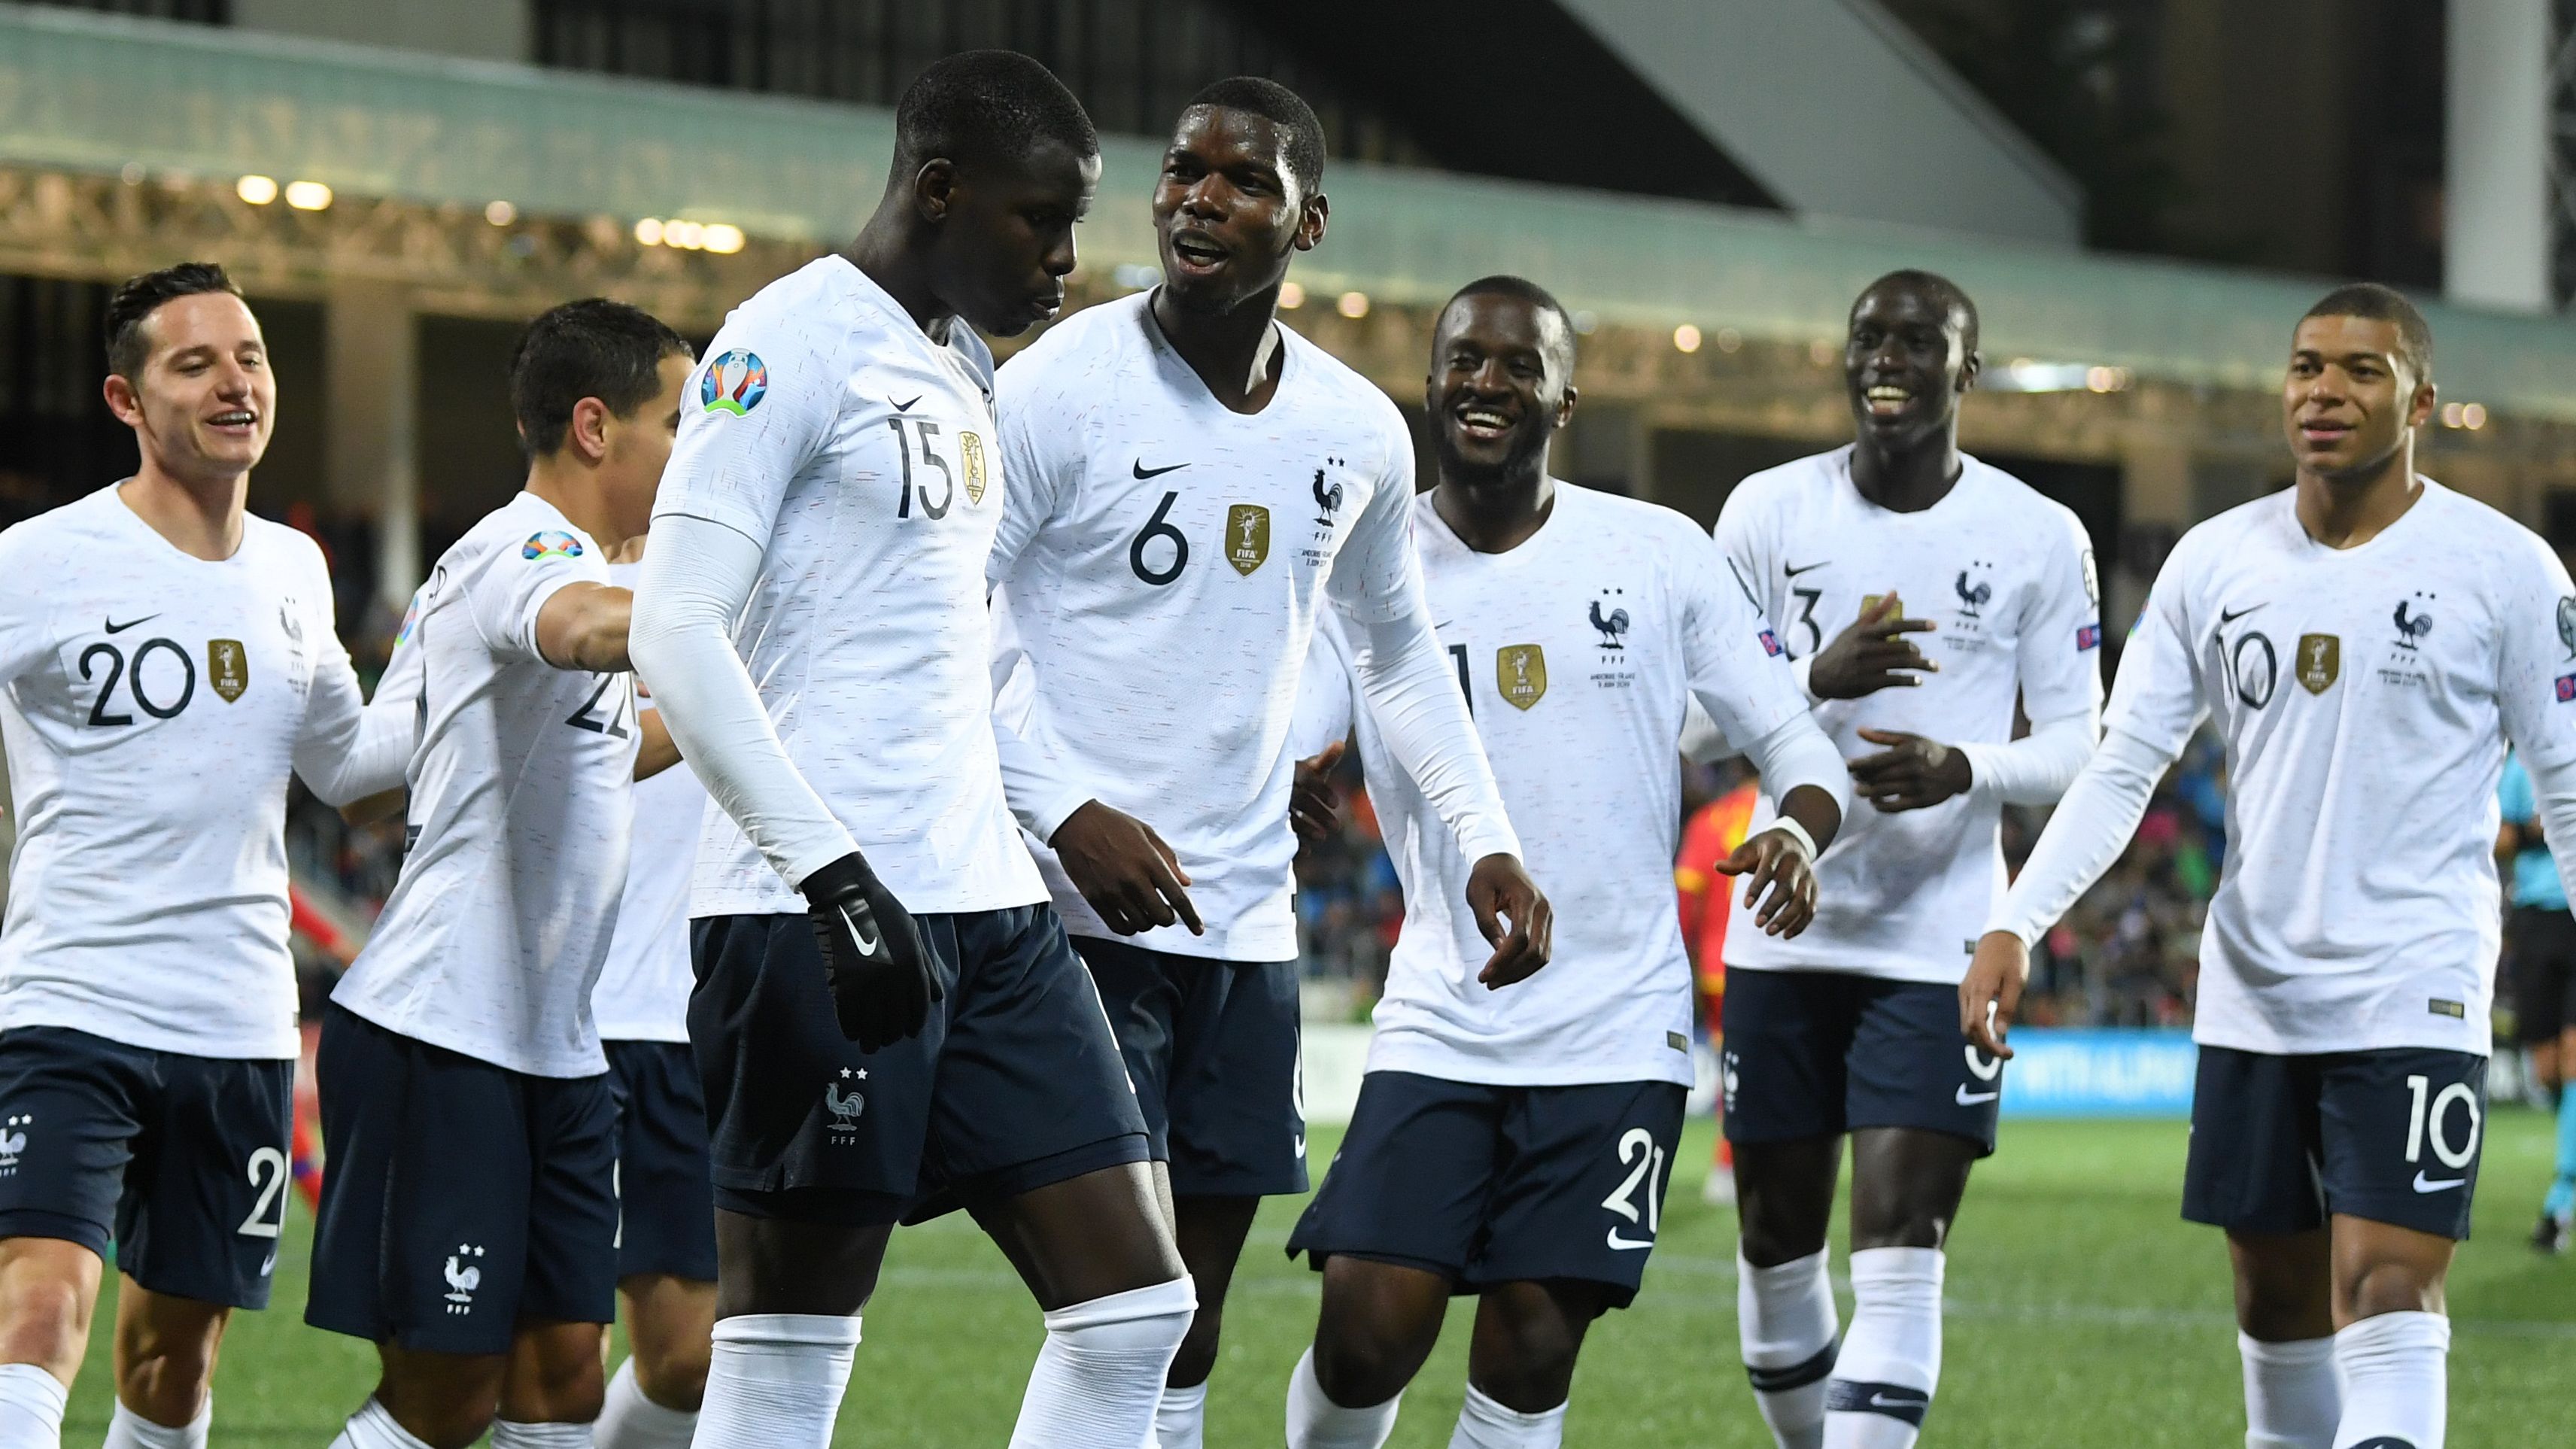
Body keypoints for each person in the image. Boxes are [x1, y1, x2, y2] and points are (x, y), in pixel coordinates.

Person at [627, 52, 1198, 1449]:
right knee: (782, 1352)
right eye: (1039, 220)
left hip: (986, 911)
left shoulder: (959, 367)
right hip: (810, 920)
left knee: (1134, 1310)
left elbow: (945, 661)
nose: (1067, 260)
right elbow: (675, 627)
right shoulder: (788, 341)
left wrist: (1049, 810)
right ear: (938, 191)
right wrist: (830, 876)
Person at [983, 78, 1547, 1446]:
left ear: (1306, 221)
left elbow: (1399, 656)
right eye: (1181, 172)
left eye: (1239, 180)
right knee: (1119, 1305)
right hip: (1056, 917)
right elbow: (947, 626)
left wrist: (1480, 836)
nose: (1197, 199)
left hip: (1237, 923)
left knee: (1189, 1314)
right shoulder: (1053, 383)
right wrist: (1062, 811)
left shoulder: (1352, 431)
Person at [1964, 282, 2576, 1449]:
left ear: (2423, 400)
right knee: (2278, 1308)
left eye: (2361, 370)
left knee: (2389, 1291)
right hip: (2254, 999)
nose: (2325, 392)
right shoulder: (2213, 560)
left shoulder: (2507, 570)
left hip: (2415, 984)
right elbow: (2123, 763)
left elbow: (2572, 788)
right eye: (2307, 367)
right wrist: (2016, 919)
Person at [1277, 275, 1847, 1449]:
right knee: (1366, 1331)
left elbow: (1799, 744)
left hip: (1615, 1025)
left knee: (1534, 1341)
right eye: (1463, 361)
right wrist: (1287, 765)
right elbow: (1307, 714)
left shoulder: (1657, 554)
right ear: (1431, 384)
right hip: (1443, 1013)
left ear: (1566, 397)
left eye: (1517, 364)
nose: (1485, 382)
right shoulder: (1366, 568)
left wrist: (1794, 826)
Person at [0, 263, 409, 1449]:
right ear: (127, 400)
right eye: (195, 364)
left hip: (237, 1017)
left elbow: (355, 773)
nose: (236, 383)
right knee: (39, 1299)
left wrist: (475, 676)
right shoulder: (36, 561)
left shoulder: (294, 569)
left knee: (174, 1359)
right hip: (71, 996)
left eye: (252, 358)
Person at [1712, 270, 2103, 1449]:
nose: (1888, 357)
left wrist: (1967, 769)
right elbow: (1689, 720)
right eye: (1868, 337)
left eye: (1919, 341)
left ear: (1965, 371)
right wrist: (1811, 680)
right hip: (1785, 928)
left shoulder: (2038, 535)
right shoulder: (1767, 515)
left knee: (1902, 1237)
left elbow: (2086, 742)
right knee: (1776, 1243)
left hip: (1937, 940)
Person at [308, 299, 691, 1449]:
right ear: (593, 426)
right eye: (679, 422)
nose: (696, 453)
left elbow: (612, 744)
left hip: (556, 1049)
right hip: (446, 1035)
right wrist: (734, 600)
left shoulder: (572, 568)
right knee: (445, 1401)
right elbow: (578, 628)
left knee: (567, 1380)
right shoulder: (526, 550)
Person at [590, 536, 718, 1448]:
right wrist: (725, 692)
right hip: (574, 1021)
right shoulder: (529, 574)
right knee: (539, 1360)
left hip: (695, 1021)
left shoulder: (745, 573)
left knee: (689, 1360)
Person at [2499, 750, 2576, 1251]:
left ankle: (2559, 1199)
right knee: (2546, 1070)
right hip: (2535, 922)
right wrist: (2537, 829)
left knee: (2573, 1062)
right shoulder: (2521, 765)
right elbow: (2498, 837)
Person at [1676, 770, 1760, 1206]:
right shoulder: (1794, 808)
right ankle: (1735, 1163)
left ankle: (1733, 1164)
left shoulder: (1711, 820)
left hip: (1718, 968)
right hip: (1777, 961)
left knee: (1737, 1068)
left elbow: (1685, 900)